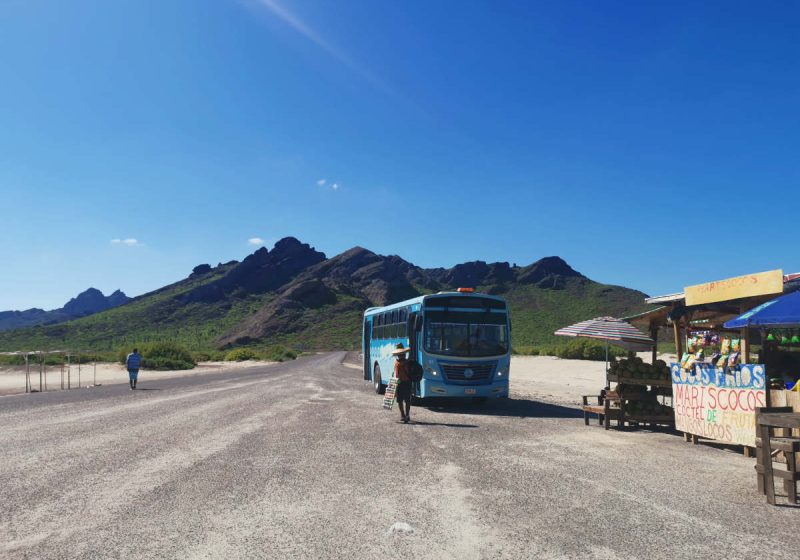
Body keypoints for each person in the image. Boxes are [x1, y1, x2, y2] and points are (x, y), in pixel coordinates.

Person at [392, 343, 413, 423]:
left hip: (400, 383)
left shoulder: (396, 363)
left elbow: (396, 375)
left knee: (400, 400)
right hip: (407, 383)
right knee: (407, 400)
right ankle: (406, 415)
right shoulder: (407, 362)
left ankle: (403, 415)